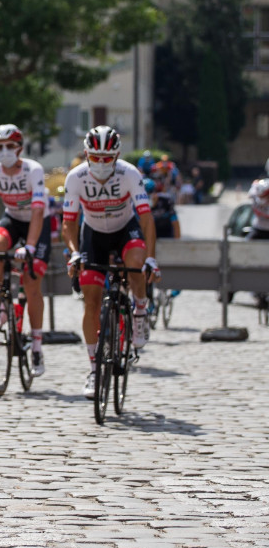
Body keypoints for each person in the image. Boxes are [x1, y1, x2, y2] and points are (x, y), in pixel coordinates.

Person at [63, 126, 159, 400]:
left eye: (107, 158)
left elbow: (146, 218)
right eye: (96, 157)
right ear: (86, 154)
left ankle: (140, 310)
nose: (102, 163)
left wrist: (151, 258)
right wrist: (74, 253)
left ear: (116, 156)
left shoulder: (129, 174)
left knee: (136, 263)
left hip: (125, 229)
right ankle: (94, 370)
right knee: (91, 301)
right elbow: (69, 223)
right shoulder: (76, 177)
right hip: (94, 235)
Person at [0, 124, 51, 376]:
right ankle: (1, 301)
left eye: (10, 146)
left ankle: (36, 346)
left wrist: (30, 246)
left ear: (20, 148)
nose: (4, 151)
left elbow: (37, 210)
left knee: (31, 283)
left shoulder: (33, 169)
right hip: (13, 219)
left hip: (38, 223)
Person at [247, 175, 269, 240]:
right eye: (260, 196)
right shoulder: (255, 194)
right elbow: (254, 186)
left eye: (264, 196)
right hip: (257, 229)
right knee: (246, 244)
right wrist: (255, 184)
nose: (261, 198)